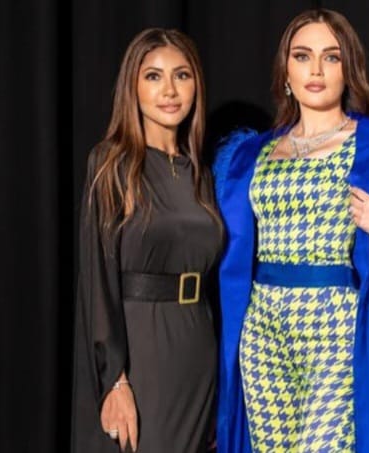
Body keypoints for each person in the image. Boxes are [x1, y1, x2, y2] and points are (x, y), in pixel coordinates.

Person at [213, 9, 369, 453]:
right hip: (264, 328)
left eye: (331, 57)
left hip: (336, 326)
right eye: (303, 56)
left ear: (348, 70)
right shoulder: (252, 155)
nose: (316, 69)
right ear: (286, 71)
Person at [72, 28, 221, 453]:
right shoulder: (111, 164)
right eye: (153, 76)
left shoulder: (202, 174)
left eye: (182, 75)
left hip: (197, 349)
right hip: (141, 355)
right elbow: (97, 280)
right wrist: (114, 379)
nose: (170, 90)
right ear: (132, 88)